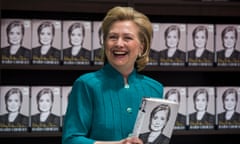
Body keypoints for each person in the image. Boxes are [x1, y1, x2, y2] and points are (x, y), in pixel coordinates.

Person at [62, 6, 164, 144]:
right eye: (113, 37)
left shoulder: (155, 88)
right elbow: (71, 140)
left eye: (127, 38)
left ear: (141, 47)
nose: (119, 44)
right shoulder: (86, 84)